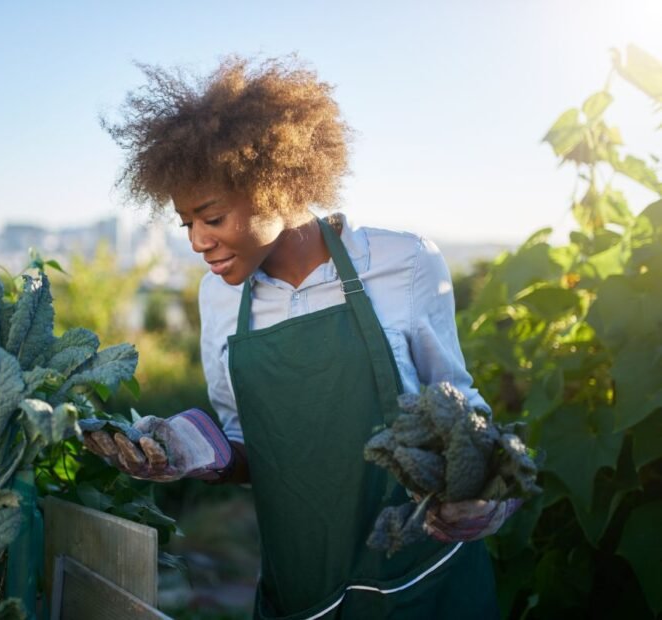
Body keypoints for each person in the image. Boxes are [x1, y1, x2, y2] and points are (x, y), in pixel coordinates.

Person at [86, 56, 514, 619]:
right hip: (303, 589)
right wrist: (192, 455)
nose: (196, 241)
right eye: (185, 223)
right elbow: (255, 453)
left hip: (421, 585)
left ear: (276, 185)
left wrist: (487, 492)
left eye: (211, 218)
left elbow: (459, 404)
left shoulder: (402, 263)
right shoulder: (218, 299)